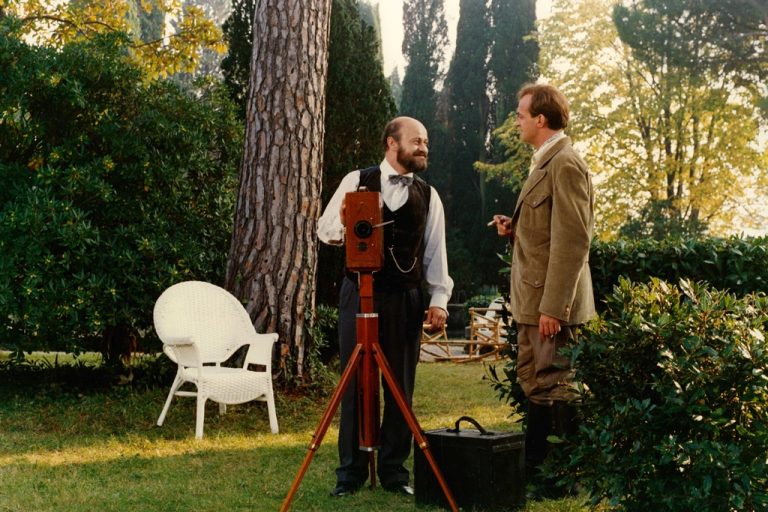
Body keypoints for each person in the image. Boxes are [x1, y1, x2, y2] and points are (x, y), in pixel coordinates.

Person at [317, 116, 453, 498]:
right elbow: (324, 230)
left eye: (425, 142)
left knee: (400, 386)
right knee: (354, 383)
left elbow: (435, 253)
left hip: (405, 299)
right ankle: (350, 473)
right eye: (417, 140)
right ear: (392, 143)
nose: (424, 147)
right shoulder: (356, 180)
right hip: (357, 293)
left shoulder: (429, 195)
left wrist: (439, 300)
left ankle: (394, 471)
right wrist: (344, 223)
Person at [489, 83, 595, 497]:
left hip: (549, 304)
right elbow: (548, 232)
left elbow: (574, 241)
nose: (516, 121)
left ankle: (566, 479)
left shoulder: (565, 163)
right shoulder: (545, 162)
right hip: (533, 301)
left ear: (540, 118)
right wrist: (515, 229)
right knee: (535, 380)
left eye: (520, 115)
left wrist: (554, 307)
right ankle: (536, 472)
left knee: (559, 383)